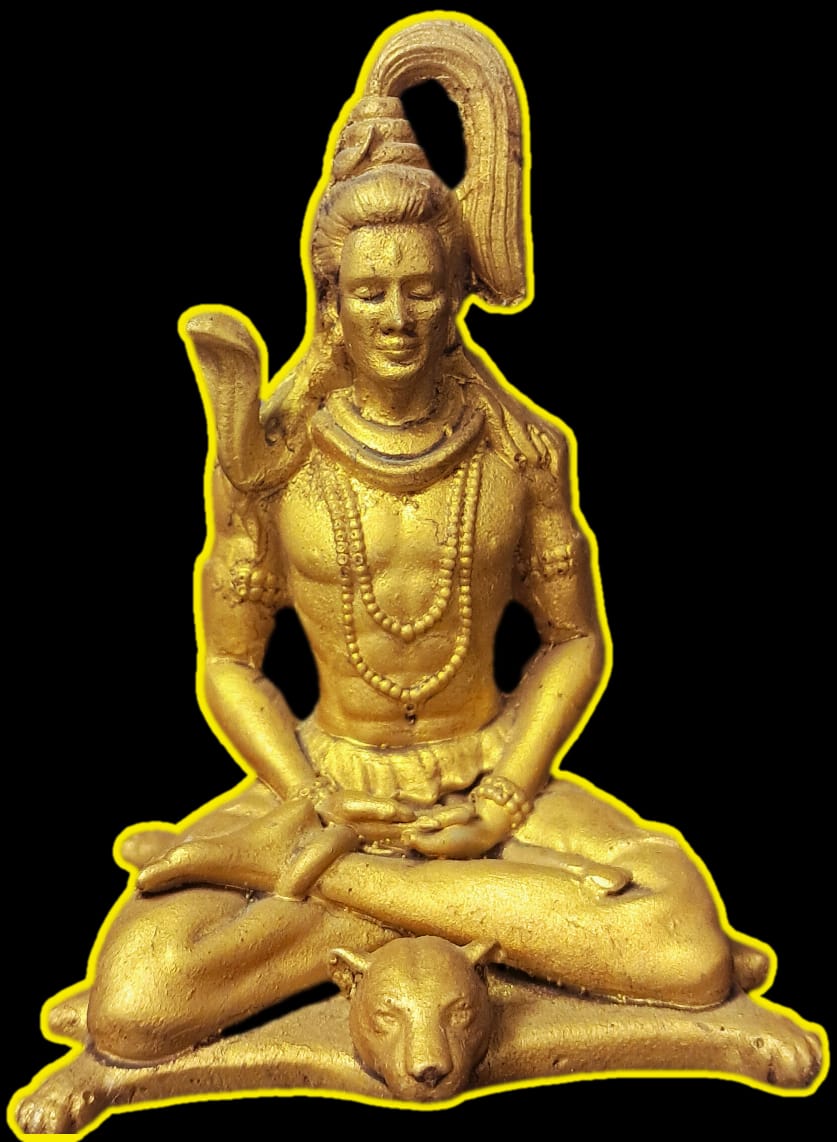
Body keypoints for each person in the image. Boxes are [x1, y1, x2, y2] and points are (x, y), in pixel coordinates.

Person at [82, 95, 747, 1066]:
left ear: (456, 294)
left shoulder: (524, 451)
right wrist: (309, 797)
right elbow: (228, 661)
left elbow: (573, 639)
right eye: (369, 292)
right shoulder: (270, 458)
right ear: (331, 302)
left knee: (686, 948)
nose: (396, 318)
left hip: (484, 772)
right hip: (324, 777)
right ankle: (467, 914)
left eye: (422, 289)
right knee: (138, 1000)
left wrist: (505, 798)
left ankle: (327, 886)